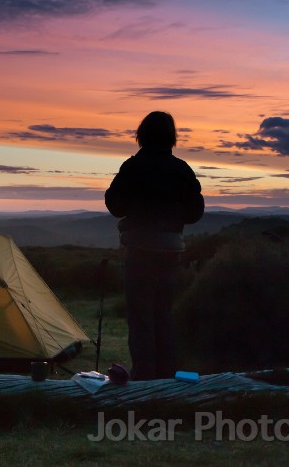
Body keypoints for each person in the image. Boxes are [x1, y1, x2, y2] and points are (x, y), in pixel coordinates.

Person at [105, 111, 204, 380]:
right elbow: (195, 212)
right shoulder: (181, 169)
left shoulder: (133, 167)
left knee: (140, 316)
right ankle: (166, 377)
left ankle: (144, 378)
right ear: (171, 137)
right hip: (172, 249)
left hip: (140, 249)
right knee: (163, 314)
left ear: (142, 135)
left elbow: (114, 205)